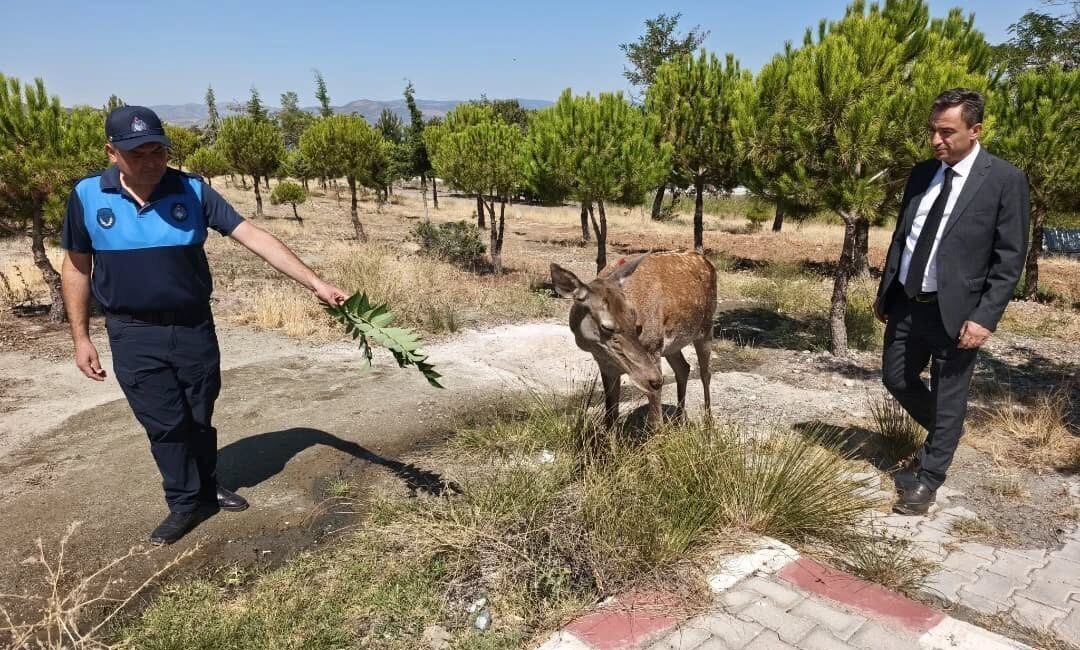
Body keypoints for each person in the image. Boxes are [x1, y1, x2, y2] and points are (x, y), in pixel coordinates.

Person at [60, 106, 348, 544]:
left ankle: (208, 486)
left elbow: (255, 237)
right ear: (112, 152)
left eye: (159, 151)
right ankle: (183, 503)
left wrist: (316, 283)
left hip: (194, 327)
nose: (152, 161)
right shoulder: (86, 196)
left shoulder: (192, 190)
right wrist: (81, 337)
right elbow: (77, 267)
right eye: (139, 154)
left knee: (198, 414)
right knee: (164, 422)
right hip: (132, 331)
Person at [875, 89, 1029, 515]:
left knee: (949, 393)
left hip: (958, 310)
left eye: (947, 132)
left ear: (975, 131)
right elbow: (902, 236)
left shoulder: (1003, 180)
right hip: (908, 301)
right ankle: (947, 435)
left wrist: (985, 317)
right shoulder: (923, 173)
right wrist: (886, 290)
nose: (936, 141)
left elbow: (1010, 257)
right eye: (933, 131)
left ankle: (930, 477)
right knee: (896, 377)